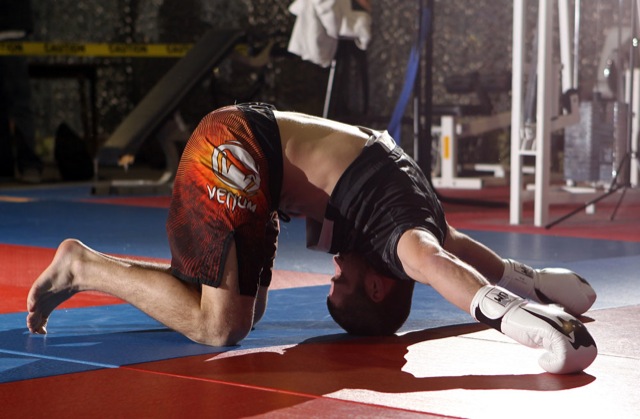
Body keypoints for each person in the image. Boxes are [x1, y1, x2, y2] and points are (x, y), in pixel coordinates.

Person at [27, 103, 597, 374]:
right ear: (379, 285)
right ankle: (82, 267)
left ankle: (125, 272)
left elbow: (467, 254)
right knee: (219, 326)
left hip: (256, 167)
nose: (334, 272)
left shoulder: (423, 222)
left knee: (239, 311)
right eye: (343, 286)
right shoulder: (402, 240)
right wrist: (522, 318)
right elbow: (439, 267)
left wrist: (545, 284)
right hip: (235, 147)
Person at [0, 0, 43, 182]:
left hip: (11, 30)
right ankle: (4, 166)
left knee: (19, 103)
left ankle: (29, 164)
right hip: (12, 27)